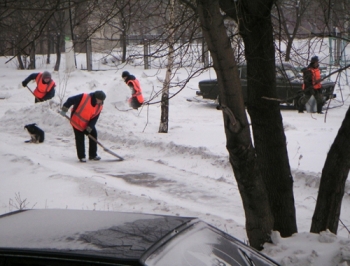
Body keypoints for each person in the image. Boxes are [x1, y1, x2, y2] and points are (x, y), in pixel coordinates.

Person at [59, 90, 106, 163]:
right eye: (99, 100)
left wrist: (89, 128)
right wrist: (65, 109)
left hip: (87, 123)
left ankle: (92, 155)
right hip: (76, 121)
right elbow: (70, 100)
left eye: (101, 101)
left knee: (93, 135)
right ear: (95, 97)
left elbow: (94, 118)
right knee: (80, 138)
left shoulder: (99, 106)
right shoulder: (84, 97)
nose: (100, 102)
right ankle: (82, 156)